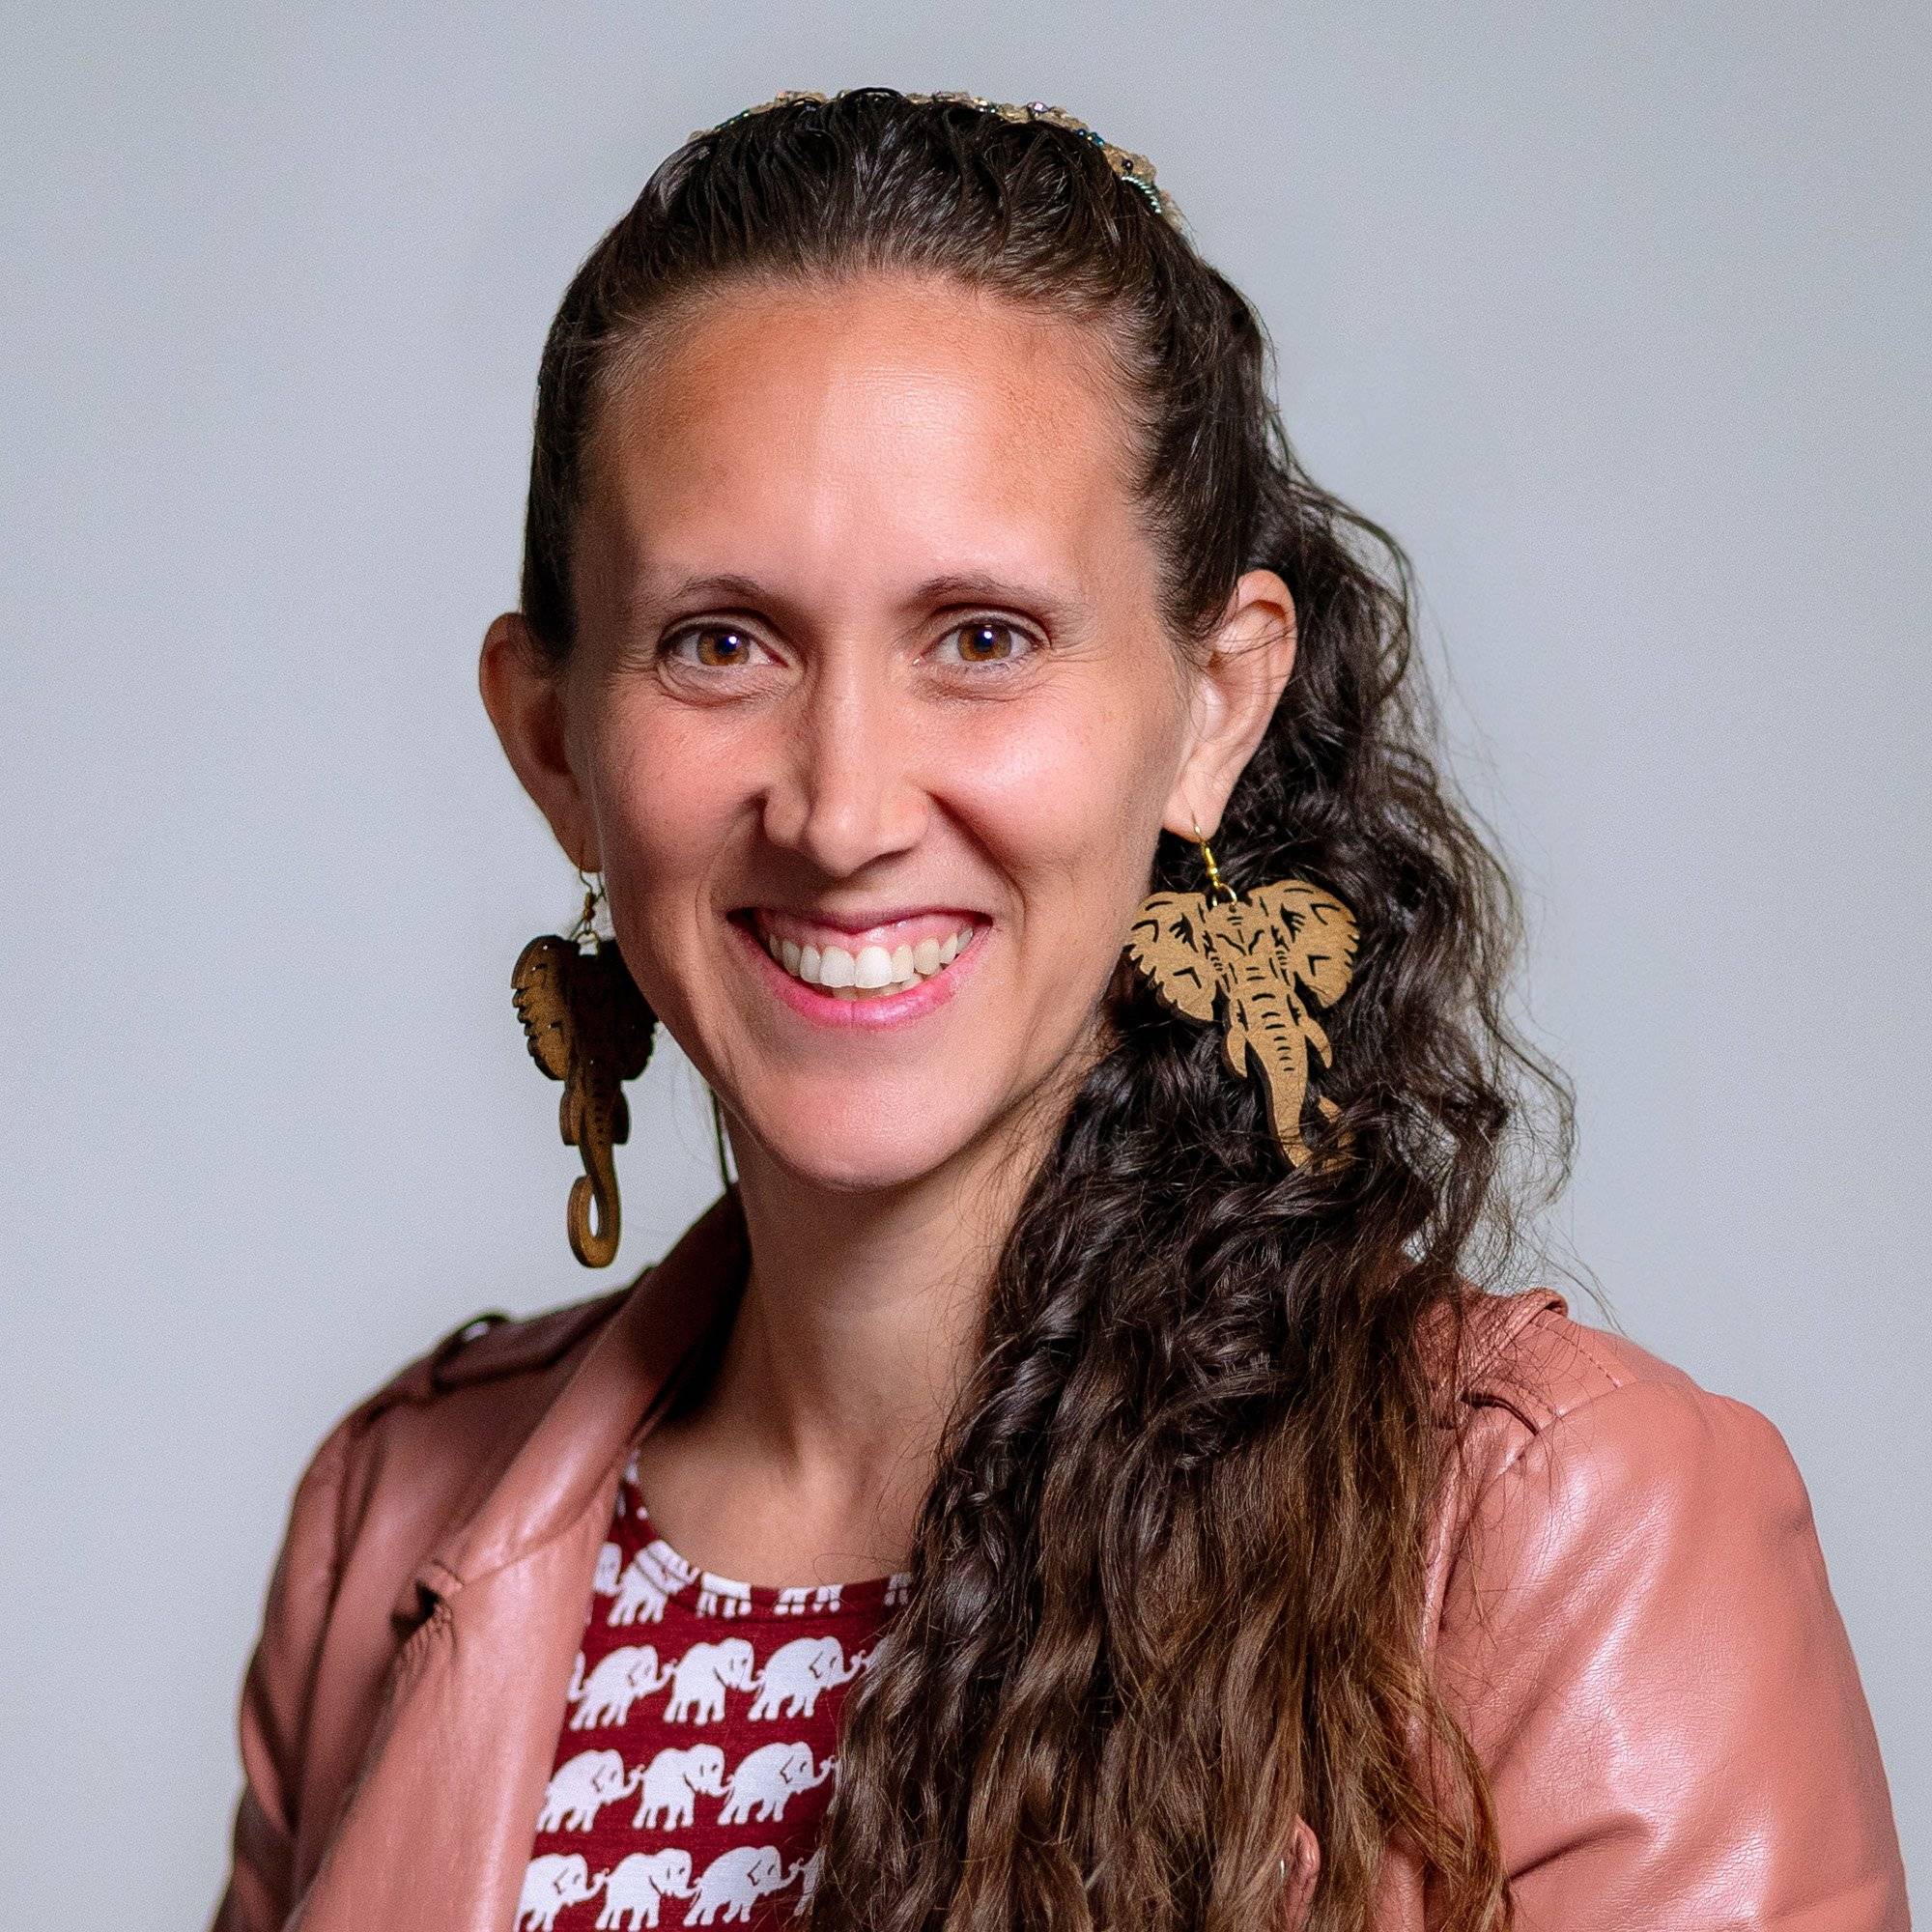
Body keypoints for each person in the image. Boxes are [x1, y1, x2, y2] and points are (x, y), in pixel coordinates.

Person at [209, 88, 1909, 1932]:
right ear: (554, 741)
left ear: (1212, 707)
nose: (845, 809)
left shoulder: (1561, 1539)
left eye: (982, 639)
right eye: (723, 643)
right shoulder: (382, 1527)